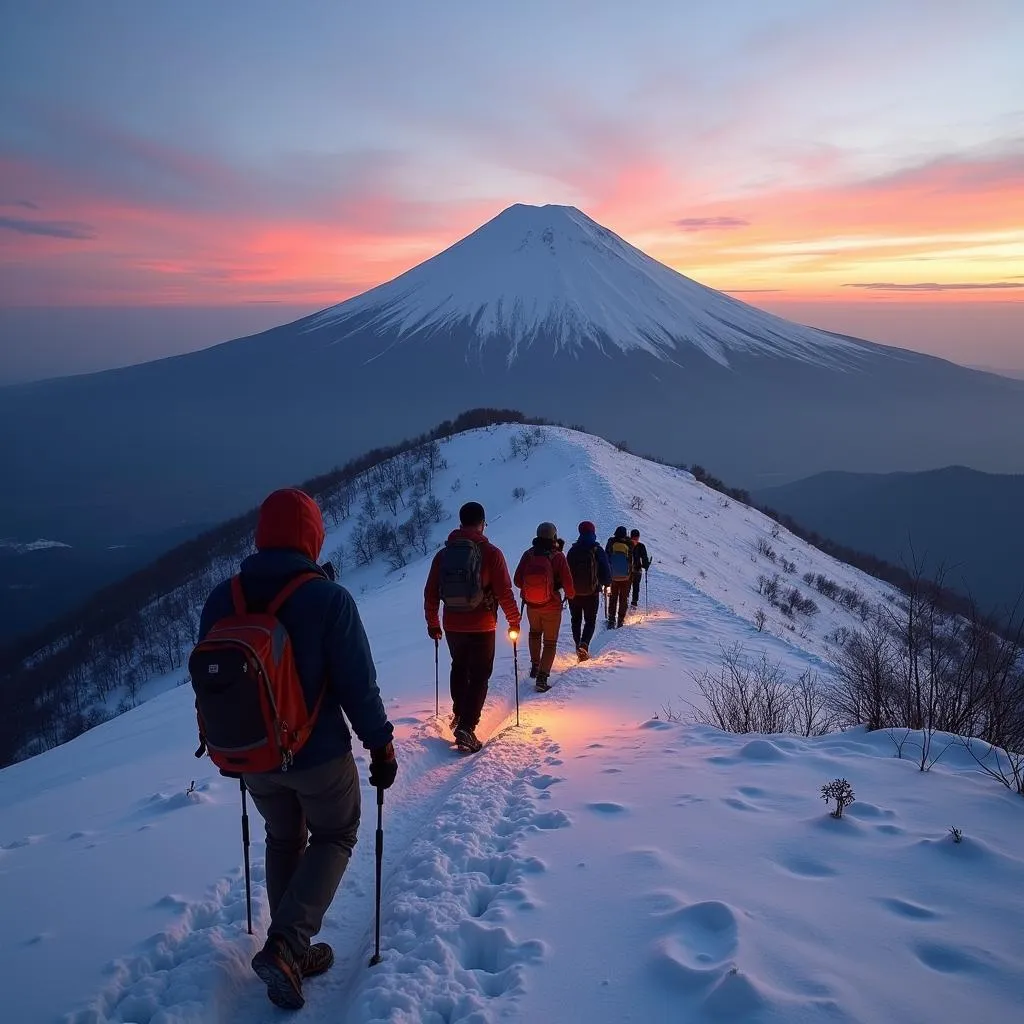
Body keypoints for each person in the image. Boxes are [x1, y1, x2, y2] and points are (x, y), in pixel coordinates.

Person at [197, 488, 396, 1011]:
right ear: (312, 536)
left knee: (283, 838)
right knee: (335, 832)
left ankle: (290, 947)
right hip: (318, 754)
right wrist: (381, 745)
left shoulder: (223, 598)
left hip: (255, 756)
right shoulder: (329, 599)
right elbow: (358, 686)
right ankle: (288, 944)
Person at [424, 501, 521, 752]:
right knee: (479, 675)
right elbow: (504, 592)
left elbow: (431, 592)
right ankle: (467, 727)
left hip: (453, 623)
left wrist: (433, 624)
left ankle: (459, 714)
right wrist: (514, 621)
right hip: (482, 624)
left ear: (460, 522)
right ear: (482, 523)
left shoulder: (443, 554)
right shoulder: (491, 553)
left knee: (459, 667)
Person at [513, 522, 575, 691]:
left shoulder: (529, 554)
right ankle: (542, 677)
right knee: (549, 642)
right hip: (552, 606)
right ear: (554, 536)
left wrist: (531, 588)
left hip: (532, 606)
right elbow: (569, 584)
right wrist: (569, 595)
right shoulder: (558, 557)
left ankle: (535, 665)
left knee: (534, 633)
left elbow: (517, 580)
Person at [565, 520, 612, 660]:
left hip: (574, 594)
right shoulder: (597, 550)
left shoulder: (573, 550)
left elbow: (566, 571)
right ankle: (584, 645)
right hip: (592, 593)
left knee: (576, 620)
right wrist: (606, 583)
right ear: (593, 532)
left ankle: (577, 645)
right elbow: (605, 570)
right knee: (590, 621)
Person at [605, 525, 633, 628]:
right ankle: (620, 620)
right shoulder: (629, 543)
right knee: (623, 598)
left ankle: (611, 619)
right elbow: (631, 558)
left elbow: (606, 555)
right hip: (626, 576)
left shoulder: (611, 541)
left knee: (613, 597)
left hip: (613, 576)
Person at [629, 528, 651, 607]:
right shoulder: (641, 546)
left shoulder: (627, 544)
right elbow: (644, 558)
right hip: (637, 570)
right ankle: (634, 603)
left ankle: (625, 601)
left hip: (627, 570)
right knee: (636, 586)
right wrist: (646, 566)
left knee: (627, 587)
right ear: (638, 537)